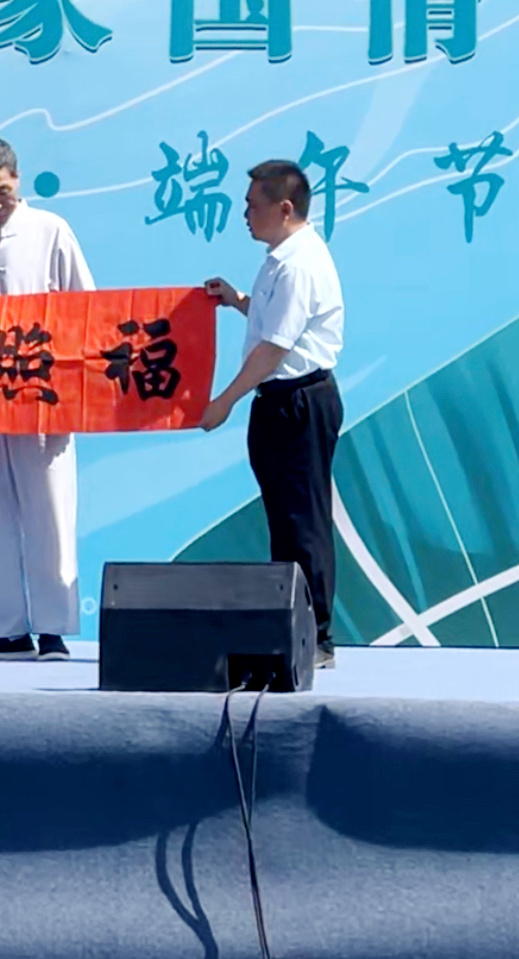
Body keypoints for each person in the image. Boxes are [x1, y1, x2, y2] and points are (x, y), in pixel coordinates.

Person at [0, 134, 94, 662]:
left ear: (18, 179)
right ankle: (8, 631)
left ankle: (53, 630)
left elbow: (87, 311)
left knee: (49, 509)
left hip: (43, 396)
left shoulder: (51, 231)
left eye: (2, 192)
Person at [201, 159, 346, 667]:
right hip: (278, 401)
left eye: (253, 205)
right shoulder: (279, 257)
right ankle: (292, 627)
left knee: (303, 519)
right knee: (284, 519)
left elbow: (274, 348)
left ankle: (317, 635)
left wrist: (224, 401)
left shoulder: (298, 263)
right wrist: (237, 300)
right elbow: (273, 321)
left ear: (285, 208)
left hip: (299, 401)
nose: (245, 214)